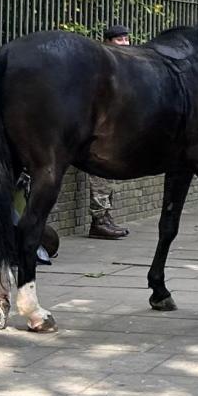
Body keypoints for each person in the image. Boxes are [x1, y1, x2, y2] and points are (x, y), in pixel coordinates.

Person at [87, 25, 131, 239]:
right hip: (93, 131)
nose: (125, 43)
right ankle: (99, 220)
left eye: (126, 39)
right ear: (107, 41)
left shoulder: (123, 66)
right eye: (120, 40)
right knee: (100, 174)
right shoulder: (99, 66)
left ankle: (104, 217)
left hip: (109, 130)